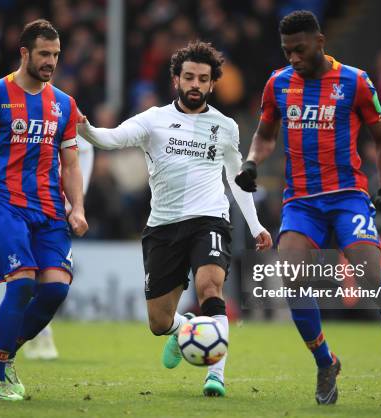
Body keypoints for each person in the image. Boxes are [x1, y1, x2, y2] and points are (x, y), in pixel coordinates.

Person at [234, 11, 381, 405]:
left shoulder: (355, 81)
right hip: (300, 200)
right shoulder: (278, 84)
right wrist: (251, 162)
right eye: (286, 51)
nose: (293, 58)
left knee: (367, 271)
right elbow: (265, 135)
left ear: (319, 41)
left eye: (299, 49)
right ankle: (324, 361)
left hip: (347, 193)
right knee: (292, 275)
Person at [78, 41, 273, 397]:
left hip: (210, 219)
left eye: (203, 78)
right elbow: (113, 138)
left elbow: (236, 179)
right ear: (176, 80)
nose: (195, 84)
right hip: (164, 226)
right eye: (189, 77)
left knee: (210, 288)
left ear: (213, 83)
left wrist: (257, 225)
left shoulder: (225, 126)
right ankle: (186, 330)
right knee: (159, 322)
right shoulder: (154, 120)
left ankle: (216, 375)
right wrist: (85, 128)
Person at [0, 19, 88, 401]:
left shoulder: (64, 104)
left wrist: (78, 208)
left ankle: (3, 358)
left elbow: (70, 163)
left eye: (56, 54)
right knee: (20, 284)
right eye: (44, 54)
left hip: (50, 210)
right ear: (24, 53)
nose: (51, 61)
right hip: (7, 205)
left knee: (54, 290)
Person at [23, 135, 94, 360]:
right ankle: (33, 333)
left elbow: (84, 149)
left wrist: (75, 203)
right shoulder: (18, 106)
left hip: (55, 207)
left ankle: (38, 331)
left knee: (50, 279)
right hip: (23, 202)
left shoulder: (63, 109)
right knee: (24, 273)